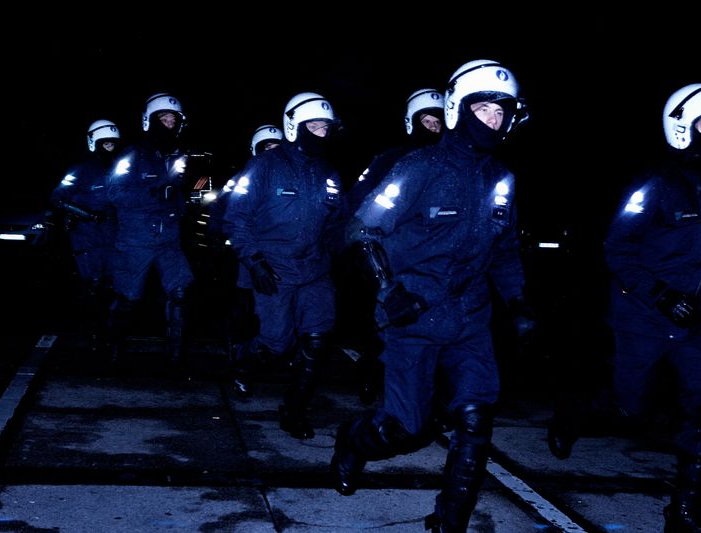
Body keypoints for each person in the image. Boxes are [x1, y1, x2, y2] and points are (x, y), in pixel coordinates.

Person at [330, 59, 536, 533]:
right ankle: (353, 441)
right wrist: (388, 291)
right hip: (413, 314)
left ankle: (449, 521)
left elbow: (504, 250)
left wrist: (518, 302)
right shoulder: (420, 167)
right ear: (458, 109)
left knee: (476, 418)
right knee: (408, 430)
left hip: (471, 317)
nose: (493, 121)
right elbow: (362, 231)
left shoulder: (502, 177)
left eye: (501, 113)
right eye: (483, 110)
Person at [601, 83, 701, 532]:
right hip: (642, 317)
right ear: (682, 130)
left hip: (695, 321)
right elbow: (617, 250)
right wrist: (662, 295)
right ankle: (579, 413)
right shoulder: (653, 185)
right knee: (629, 411)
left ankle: (685, 512)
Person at [223, 92, 345, 439]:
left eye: (326, 127)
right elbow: (236, 217)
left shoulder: (329, 173)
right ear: (295, 127)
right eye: (314, 126)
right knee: (276, 344)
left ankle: (294, 411)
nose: (321, 133)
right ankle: (243, 358)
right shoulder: (264, 166)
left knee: (318, 340)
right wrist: (255, 262)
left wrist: (344, 257)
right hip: (274, 269)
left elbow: (338, 223)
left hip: (315, 272)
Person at [337, 88, 445, 405]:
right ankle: (371, 370)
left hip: (435, 259)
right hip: (390, 255)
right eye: (427, 121)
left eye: (438, 122)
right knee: (386, 321)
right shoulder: (390, 159)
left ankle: (427, 399)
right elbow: (358, 204)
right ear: (412, 122)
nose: (433, 127)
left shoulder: (454, 163)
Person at [105, 93, 195, 366]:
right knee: (130, 297)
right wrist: (153, 192)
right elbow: (114, 192)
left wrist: (180, 204)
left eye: (173, 120)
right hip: (136, 239)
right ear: (151, 121)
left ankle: (175, 357)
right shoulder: (132, 154)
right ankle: (113, 347)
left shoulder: (179, 155)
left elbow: (177, 191)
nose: (169, 124)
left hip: (169, 239)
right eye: (164, 119)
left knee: (180, 291)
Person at [214, 124, 285, 397]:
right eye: (266, 148)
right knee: (245, 306)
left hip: (282, 256)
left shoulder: (293, 177)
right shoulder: (245, 177)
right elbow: (223, 210)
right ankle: (240, 353)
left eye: (277, 147)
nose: (272, 153)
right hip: (249, 255)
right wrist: (219, 238)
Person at [50, 119, 121, 349]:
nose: (109, 148)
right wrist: (87, 214)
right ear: (94, 143)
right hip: (86, 233)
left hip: (112, 233)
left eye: (113, 144)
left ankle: (108, 331)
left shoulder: (121, 168)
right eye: (105, 143)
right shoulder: (80, 169)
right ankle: (91, 331)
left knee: (113, 282)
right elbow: (58, 198)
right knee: (92, 282)